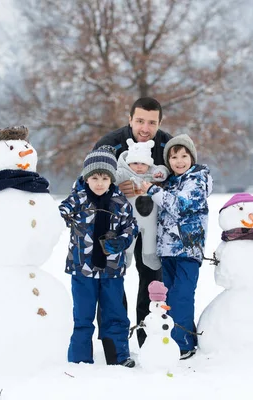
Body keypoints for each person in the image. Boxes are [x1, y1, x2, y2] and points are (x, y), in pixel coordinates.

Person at [94, 97, 172, 347]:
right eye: (139, 121)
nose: (145, 128)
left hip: (152, 224)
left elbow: (181, 177)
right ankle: (114, 340)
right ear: (129, 120)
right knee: (112, 280)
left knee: (152, 279)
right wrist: (114, 186)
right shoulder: (109, 144)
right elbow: (89, 181)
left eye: (152, 122)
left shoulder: (168, 145)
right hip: (114, 224)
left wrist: (160, 188)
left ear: (160, 123)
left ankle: (149, 337)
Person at [59, 145, 139, 367]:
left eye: (105, 177)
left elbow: (131, 227)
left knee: (115, 314)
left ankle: (119, 356)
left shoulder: (119, 201)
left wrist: (122, 241)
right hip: (82, 268)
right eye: (95, 177)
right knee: (83, 316)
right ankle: (80, 359)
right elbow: (60, 214)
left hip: (112, 270)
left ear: (111, 179)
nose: (100, 182)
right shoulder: (78, 199)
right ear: (86, 177)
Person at [140, 134, 212, 360]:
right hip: (168, 250)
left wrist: (153, 190)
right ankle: (174, 340)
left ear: (192, 157)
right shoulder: (171, 181)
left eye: (184, 156)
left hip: (187, 250)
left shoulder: (197, 180)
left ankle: (184, 345)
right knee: (169, 298)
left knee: (181, 296)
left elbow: (180, 206)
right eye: (174, 157)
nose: (179, 161)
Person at [114, 138, 169, 271]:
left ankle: (150, 255)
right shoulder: (124, 173)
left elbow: (163, 171)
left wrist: (161, 173)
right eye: (135, 163)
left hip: (150, 219)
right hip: (130, 218)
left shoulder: (152, 174)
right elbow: (111, 177)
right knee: (128, 236)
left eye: (143, 163)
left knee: (150, 235)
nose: (139, 167)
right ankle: (125, 256)